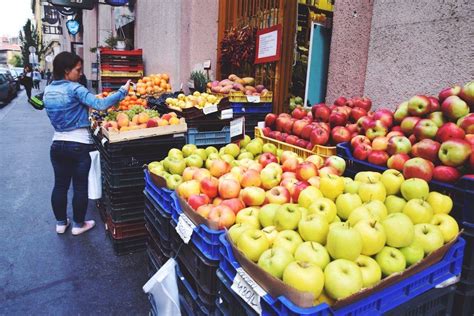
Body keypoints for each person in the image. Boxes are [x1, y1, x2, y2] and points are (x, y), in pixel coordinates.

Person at [43, 52, 130, 235]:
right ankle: (78, 224)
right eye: (77, 70)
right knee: (80, 186)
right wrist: (122, 91)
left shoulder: (48, 90)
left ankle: (60, 223)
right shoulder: (76, 89)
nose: (80, 74)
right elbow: (101, 105)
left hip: (57, 144)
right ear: (67, 71)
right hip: (78, 145)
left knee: (60, 185)